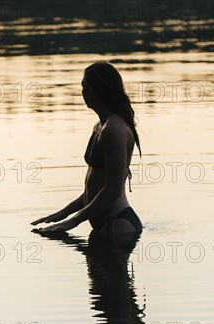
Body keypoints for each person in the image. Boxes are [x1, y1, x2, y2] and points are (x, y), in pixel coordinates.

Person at [31, 62, 143, 243]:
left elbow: (113, 191)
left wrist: (73, 221)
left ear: (94, 90)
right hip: (108, 226)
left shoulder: (114, 130)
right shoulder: (100, 126)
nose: (83, 92)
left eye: (84, 86)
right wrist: (64, 213)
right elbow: (94, 190)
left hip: (118, 224)